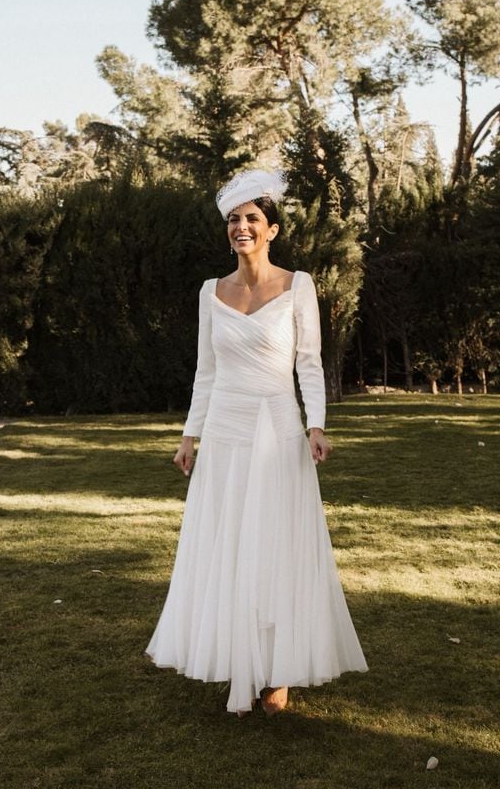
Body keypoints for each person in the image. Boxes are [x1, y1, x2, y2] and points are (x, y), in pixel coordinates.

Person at [146, 168, 367, 716]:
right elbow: (206, 371)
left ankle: (279, 669)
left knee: (275, 545)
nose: (240, 227)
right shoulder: (210, 292)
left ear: (272, 230)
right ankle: (238, 665)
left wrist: (316, 425)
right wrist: (189, 436)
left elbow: (309, 363)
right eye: (233, 220)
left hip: (277, 427)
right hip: (225, 428)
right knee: (227, 545)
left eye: (251, 219)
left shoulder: (297, 286)